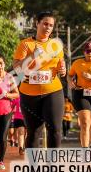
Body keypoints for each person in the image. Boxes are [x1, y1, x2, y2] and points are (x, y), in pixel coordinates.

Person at [13, 11, 66, 148]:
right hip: (29, 94)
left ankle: (52, 167)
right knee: (33, 132)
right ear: (37, 24)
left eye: (51, 25)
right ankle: (34, 168)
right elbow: (18, 68)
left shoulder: (56, 46)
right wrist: (33, 55)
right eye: (45, 24)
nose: (48, 27)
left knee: (55, 129)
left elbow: (60, 66)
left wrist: (63, 70)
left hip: (53, 91)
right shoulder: (25, 44)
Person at [69, 42, 91, 148]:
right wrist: (71, 82)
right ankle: (85, 150)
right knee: (85, 123)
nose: (89, 53)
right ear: (84, 52)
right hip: (81, 94)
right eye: (87, 51)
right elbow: (70, 75)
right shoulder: (77, 63)